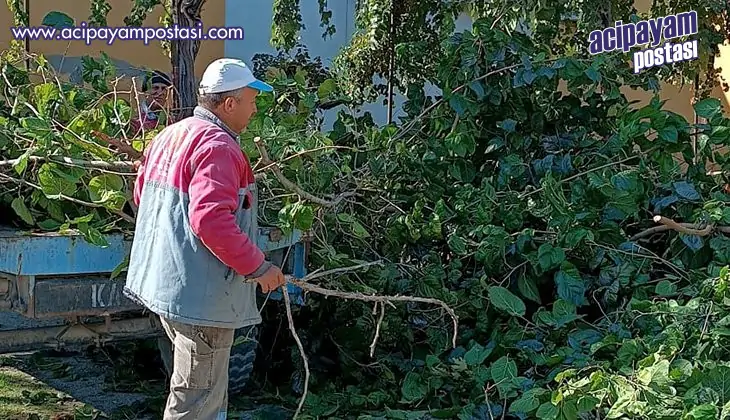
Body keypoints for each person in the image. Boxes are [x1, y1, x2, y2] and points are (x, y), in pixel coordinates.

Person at [123, 58, 286, 420]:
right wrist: (259, 267)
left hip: (168, 286)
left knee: (198, 392)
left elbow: (141, 197)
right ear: (230, 104)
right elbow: (211, 220)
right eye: (251, 100)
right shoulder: (219, 148)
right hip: (200, 296)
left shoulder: (171, 134)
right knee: (197, 404)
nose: (255, 108)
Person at [130, 69, 173, 136]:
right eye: (155, 88)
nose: (160, 92)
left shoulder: (170, 119)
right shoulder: (135, 119)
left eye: (164, 88)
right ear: (145, 92)